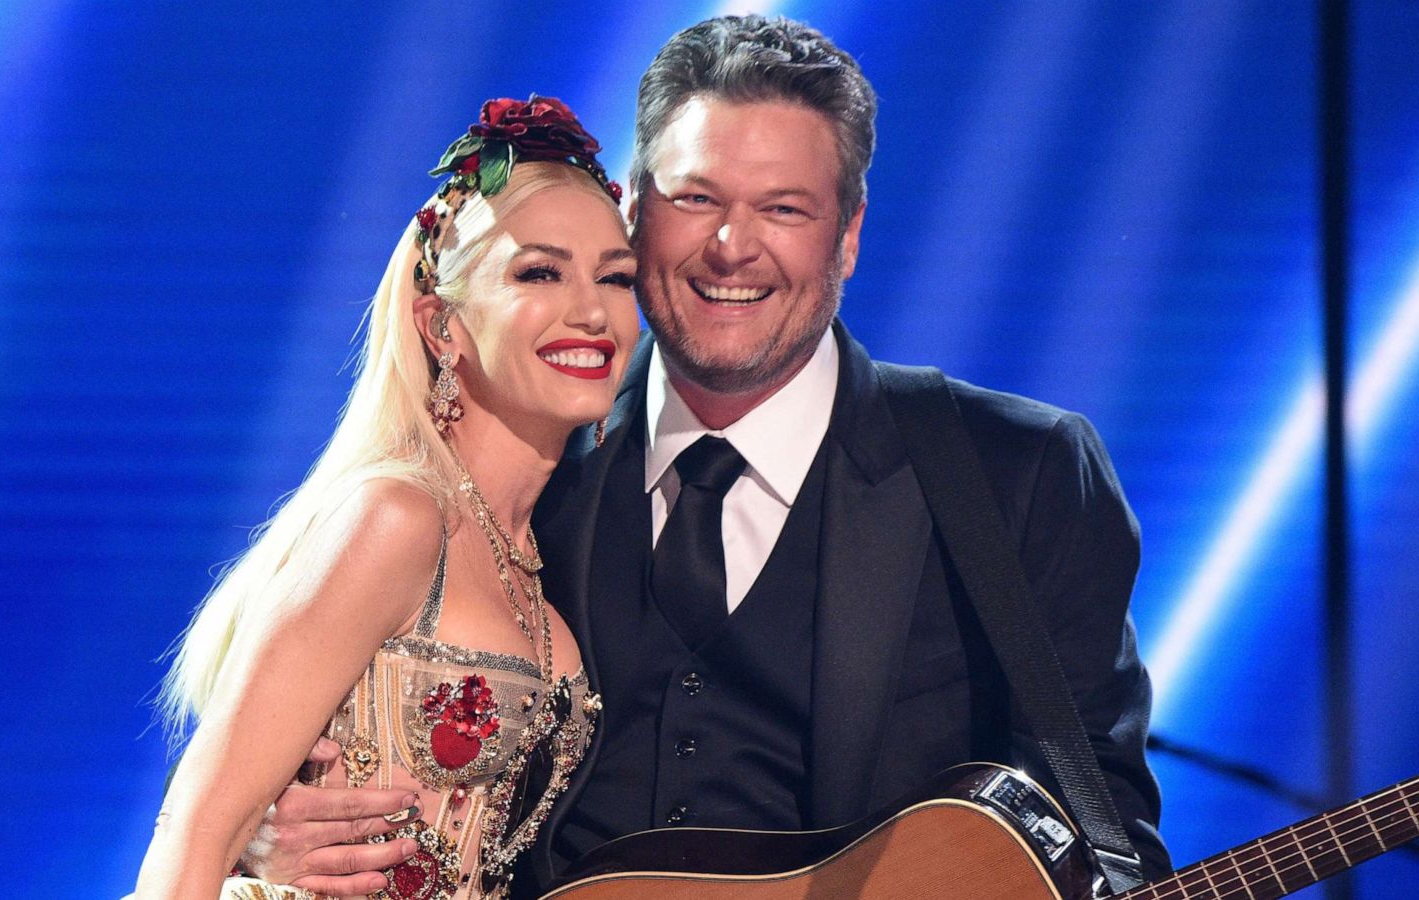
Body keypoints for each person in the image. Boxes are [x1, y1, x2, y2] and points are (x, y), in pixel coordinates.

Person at [244, 15, 1173, 899]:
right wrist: (270, 828)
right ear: (635, 212)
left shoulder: (1019, 472)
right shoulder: (514, 463)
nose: (733, 248)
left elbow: (1105, 835)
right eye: (697, 199)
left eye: (784, 208)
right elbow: (305, 740)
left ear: (847, 236)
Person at [132, 96, 640, 899]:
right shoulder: (396, 517)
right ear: (441, 325)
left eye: (616, 277)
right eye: (539, 272)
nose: (593, 310)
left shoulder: (540, 554)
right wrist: (251, 846)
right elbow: (199, 822)